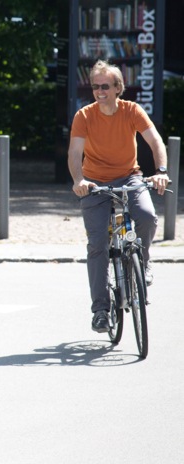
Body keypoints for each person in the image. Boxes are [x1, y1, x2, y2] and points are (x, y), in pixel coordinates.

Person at [69, 60, 169, 333]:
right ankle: (101, 310)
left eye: (105, 86)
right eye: (95, 86)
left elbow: (155, 141)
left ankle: (144, 262)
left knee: (147, 216)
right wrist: (79, 180)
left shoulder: (131, 111)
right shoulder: (84, 116)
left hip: (129, 177)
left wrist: (160, 170)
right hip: (94, 183)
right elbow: (75, 153)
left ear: (117, 88)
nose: (99, 91)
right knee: (98, 245)